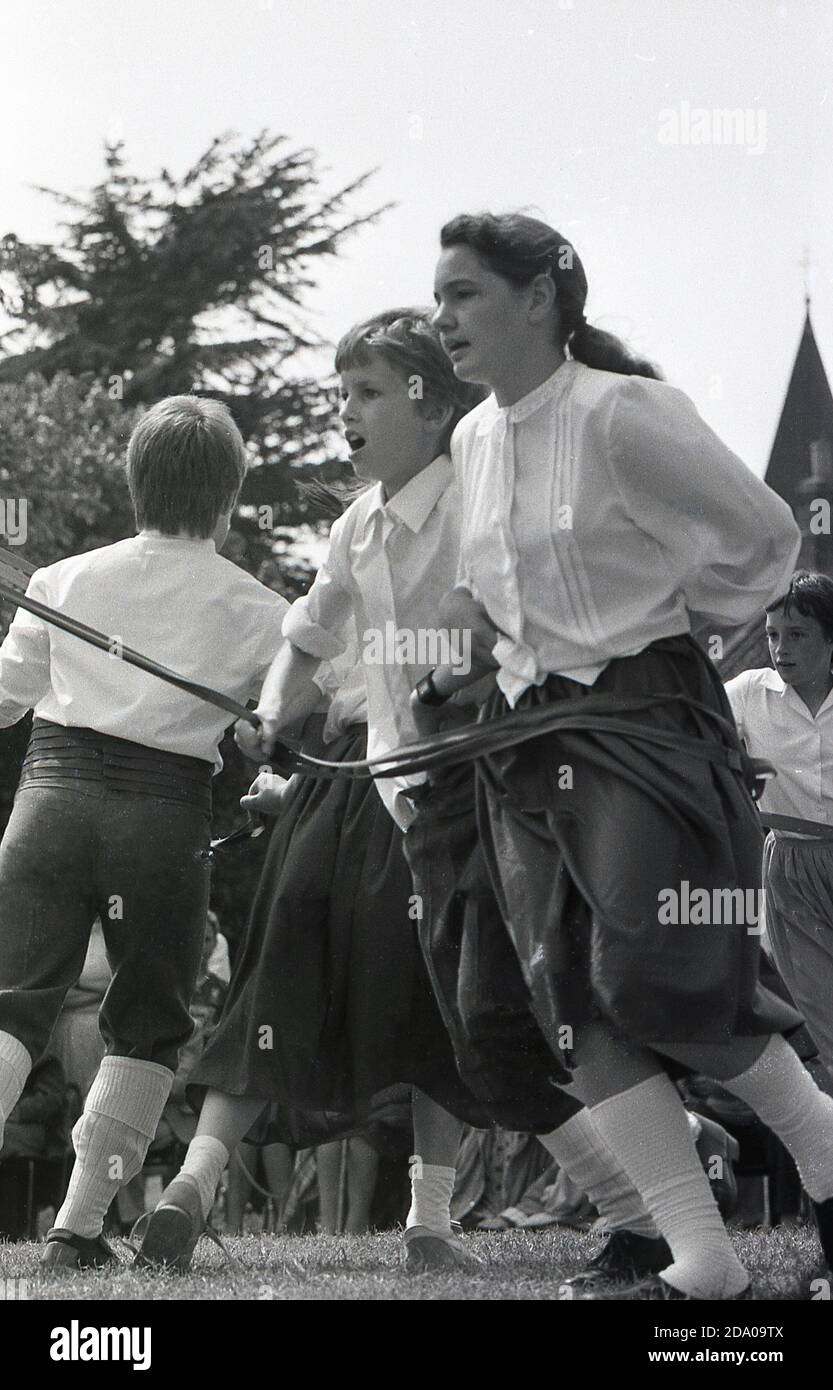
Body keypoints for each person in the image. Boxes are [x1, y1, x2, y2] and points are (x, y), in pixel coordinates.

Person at [135, 311, 673, 1278]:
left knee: (494, 1017)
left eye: (368, 392)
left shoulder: (483, 503)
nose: (345, 412)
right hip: (383, 801)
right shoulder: (355, 524)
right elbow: (307, 638)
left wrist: (402, 674)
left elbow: (504, 636)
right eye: (342, 393)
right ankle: (606, 1214)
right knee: (442, 1015)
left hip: (482, 795)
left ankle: (650, 1209)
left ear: (433, 406)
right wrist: (268, 713)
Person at [417, 211, 833, 1300]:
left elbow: (764, 539)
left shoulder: (623, 413)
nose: (441, 314)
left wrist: (663, 626)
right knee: (572, 1005)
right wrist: (461, 664)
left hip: (644, 723)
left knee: (654, 972)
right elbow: (483, 590)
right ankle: (704, 1259)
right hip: (522, 740)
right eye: (440, 295)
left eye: (462, 292)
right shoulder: (470, 437)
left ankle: (825, 1154)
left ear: (538, 298)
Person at [0, 395, 288, 1268]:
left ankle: (77, 1231)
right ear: (230, 499)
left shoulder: (63, 580)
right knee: (148, 1027)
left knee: (11, 1006)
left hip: (45, 806)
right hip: (161, 821)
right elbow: (311, 717)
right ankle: (76, 1231)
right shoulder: (261, 610)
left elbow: (6, 697)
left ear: (133, 483)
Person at [726, 570, 833, 1089]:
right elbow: (688, 728)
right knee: (824, 1019)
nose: (779, 648)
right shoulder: (748, 694)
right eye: (771, 635)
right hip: (792, 871)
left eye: (797, 635)